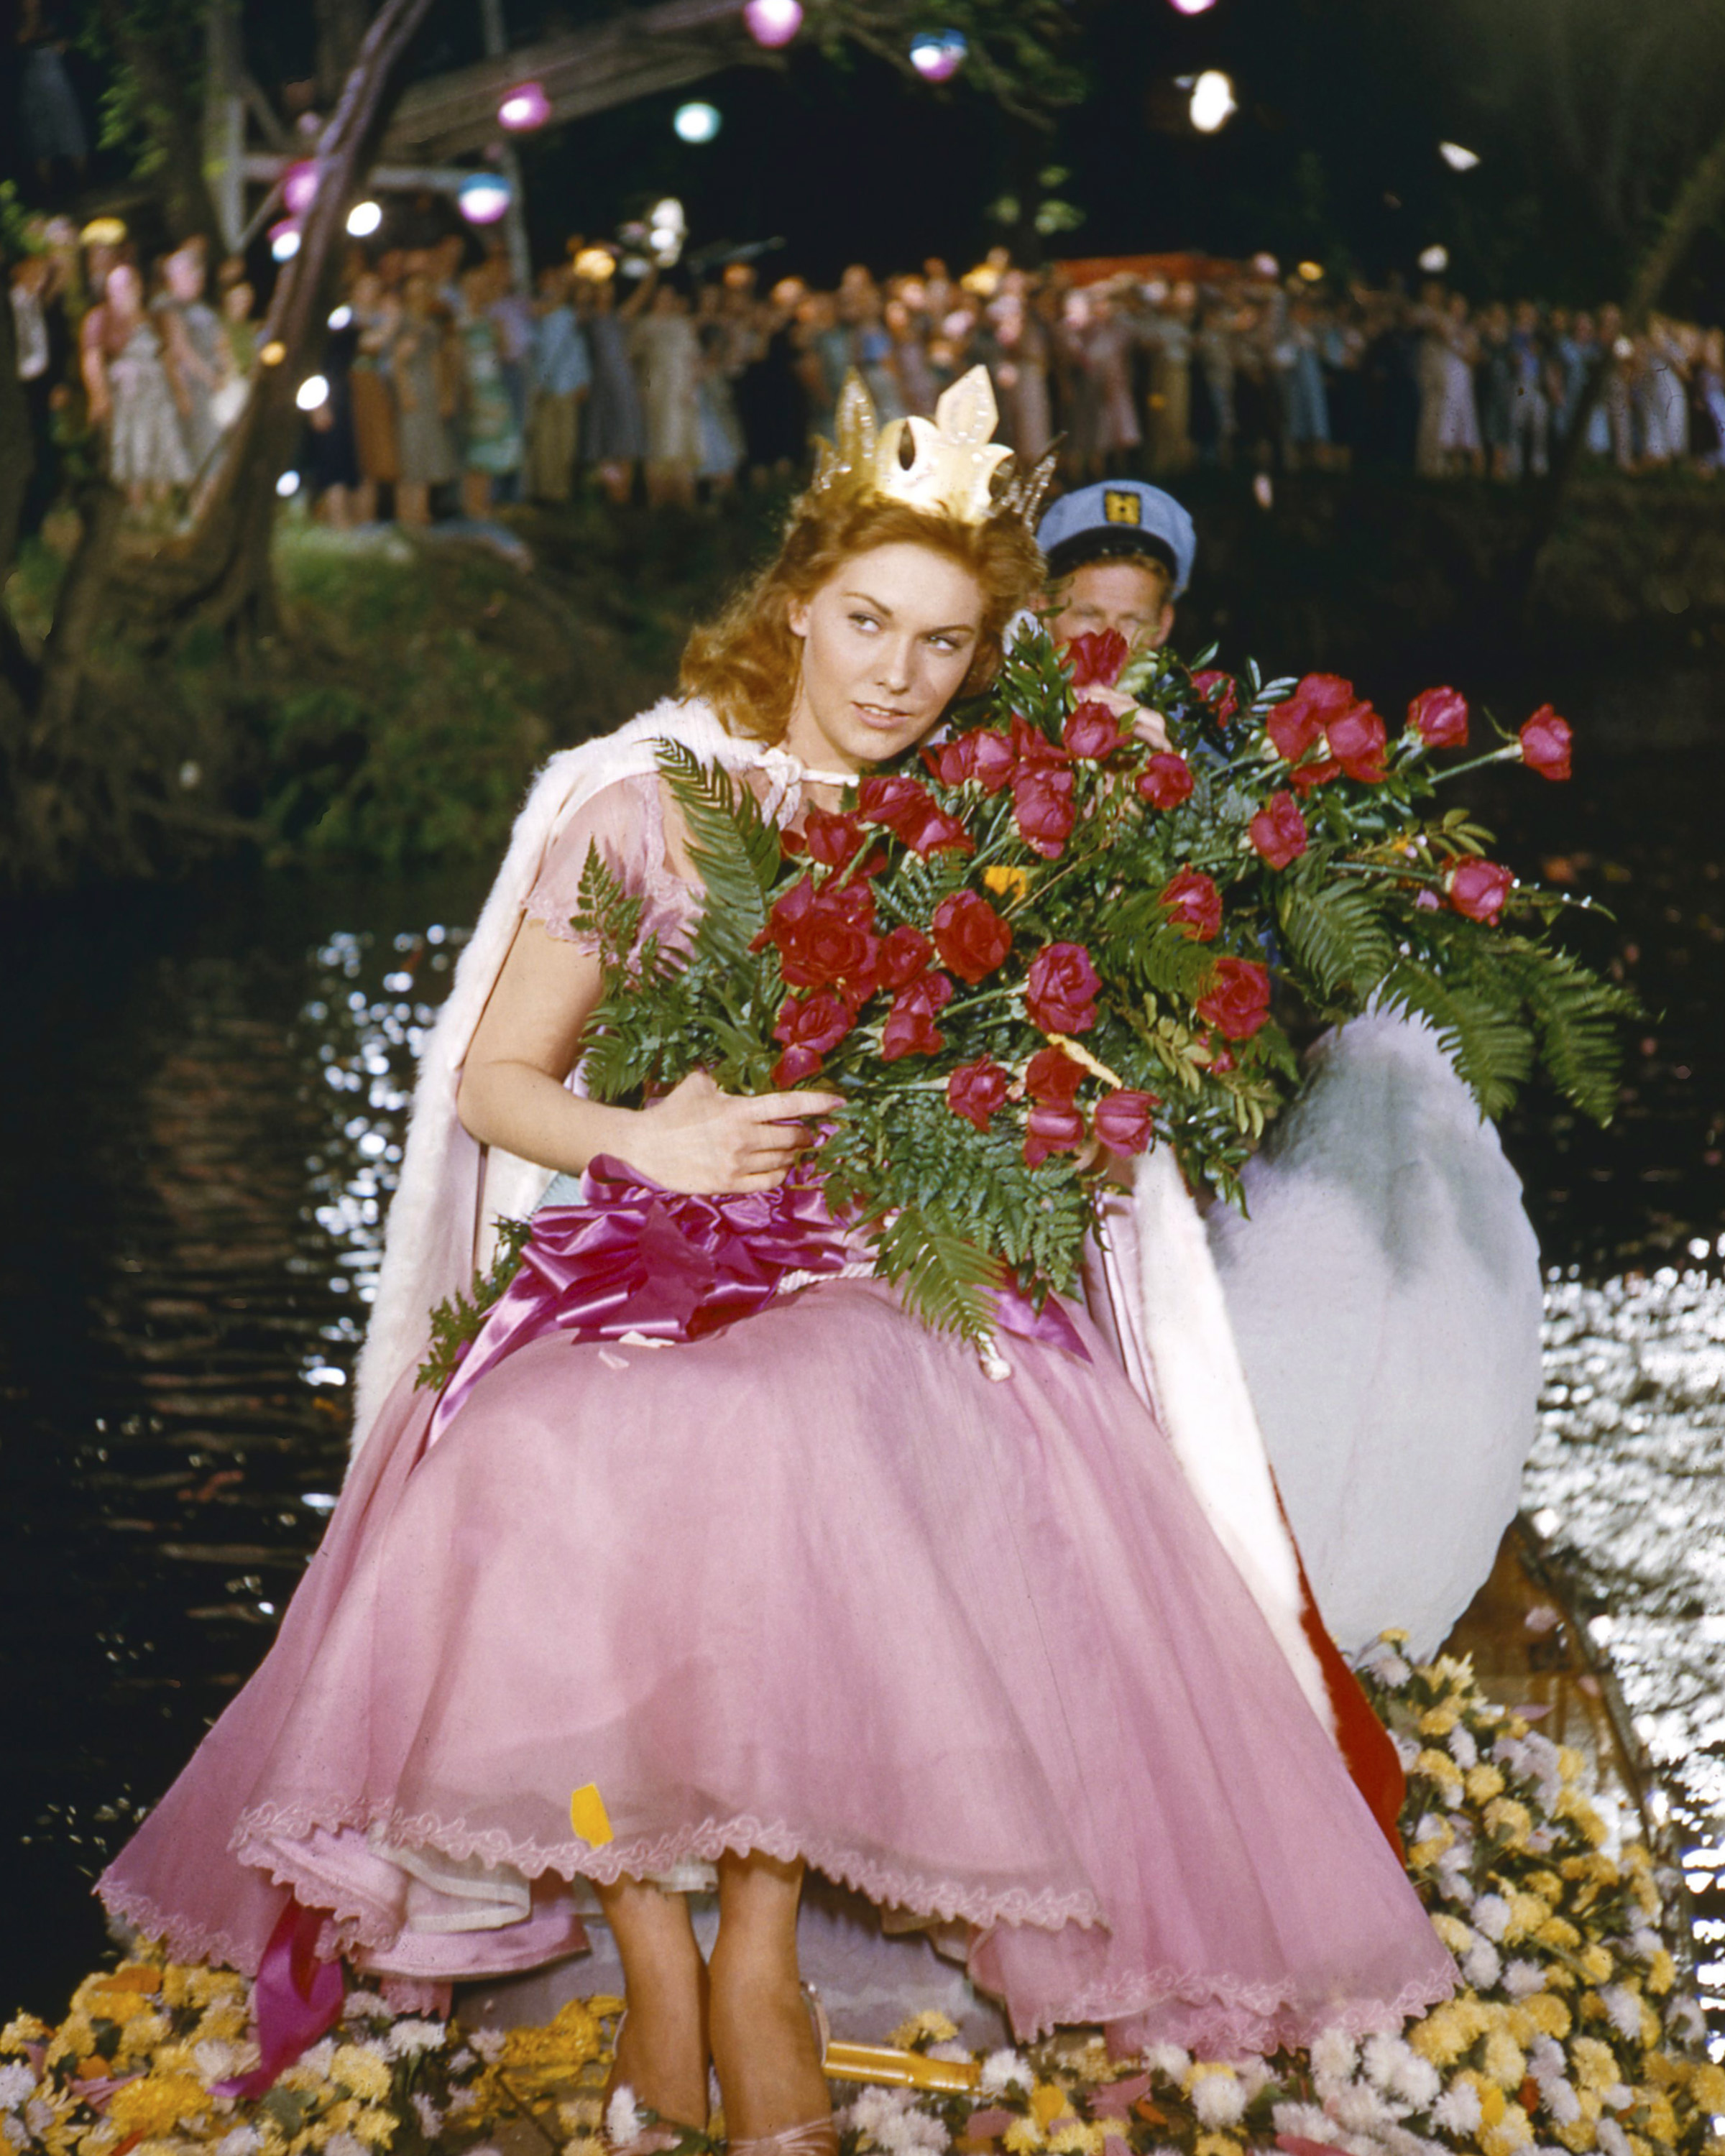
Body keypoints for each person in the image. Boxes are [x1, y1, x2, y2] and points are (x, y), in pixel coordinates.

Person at [99, 368, 1460, 2156]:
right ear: (795, 608)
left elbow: (1066, 1111)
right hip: (642, 1257)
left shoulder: (1001, 846)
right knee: (529, 1444)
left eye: (943, 641)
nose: (894, 673)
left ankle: (753, 1948)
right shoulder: (643, 810)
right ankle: (652, 1947)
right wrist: (644, 1136)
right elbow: (497, 1079)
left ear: (985, 655)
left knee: (799, 1417)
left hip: (894, 1274)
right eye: (865, 623)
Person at [1036, 476, 1195, 657]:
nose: (1108, 644)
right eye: (1088, 615)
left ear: (1163, 625)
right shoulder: (1001, 684)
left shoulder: (1194, 686)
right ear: (1043, 612)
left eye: (1133, 621)